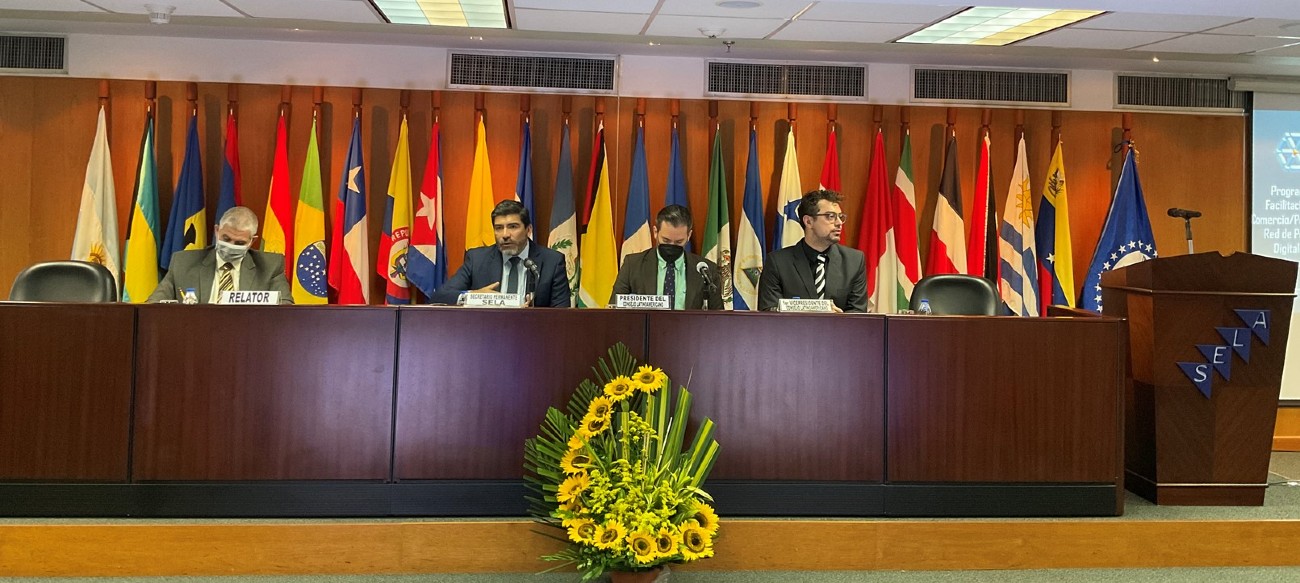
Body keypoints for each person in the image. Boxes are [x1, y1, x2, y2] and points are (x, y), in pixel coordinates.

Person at [430, 200, 571, 307]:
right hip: (487, 333)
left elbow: (561, 314)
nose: (505, 235)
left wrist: (532, 315)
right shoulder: (477, 259)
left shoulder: (552, 261)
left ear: (528, 230)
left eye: (513, 227)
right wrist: (473, 296)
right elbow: (440, 296)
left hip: (534, 333)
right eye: (498, 228)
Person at [147, 206, 293, 304]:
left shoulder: (270, 267)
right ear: (217, 231)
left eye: (239, 243)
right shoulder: (183, 263)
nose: (231, 246)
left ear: (252, 241)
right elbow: (153, 306)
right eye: (226, 239)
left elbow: (285, 311)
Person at [758, 189, 867, 313]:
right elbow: (769, 311)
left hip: (839, 326)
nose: (839, 223)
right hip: (792, 327)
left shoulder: (854, 261)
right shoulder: (777, 262)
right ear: (808, 221)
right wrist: (821, 310)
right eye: (831, 217)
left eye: (840, 217)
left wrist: (837, 319)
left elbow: (858, 312)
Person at [610, 204, 723, 310]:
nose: (671, 246)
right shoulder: (633, 265)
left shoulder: (707, 270)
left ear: (688, 235)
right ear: (655, 232)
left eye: (679, 242)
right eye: (666, 240)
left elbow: (718, 317)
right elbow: (614, 309)